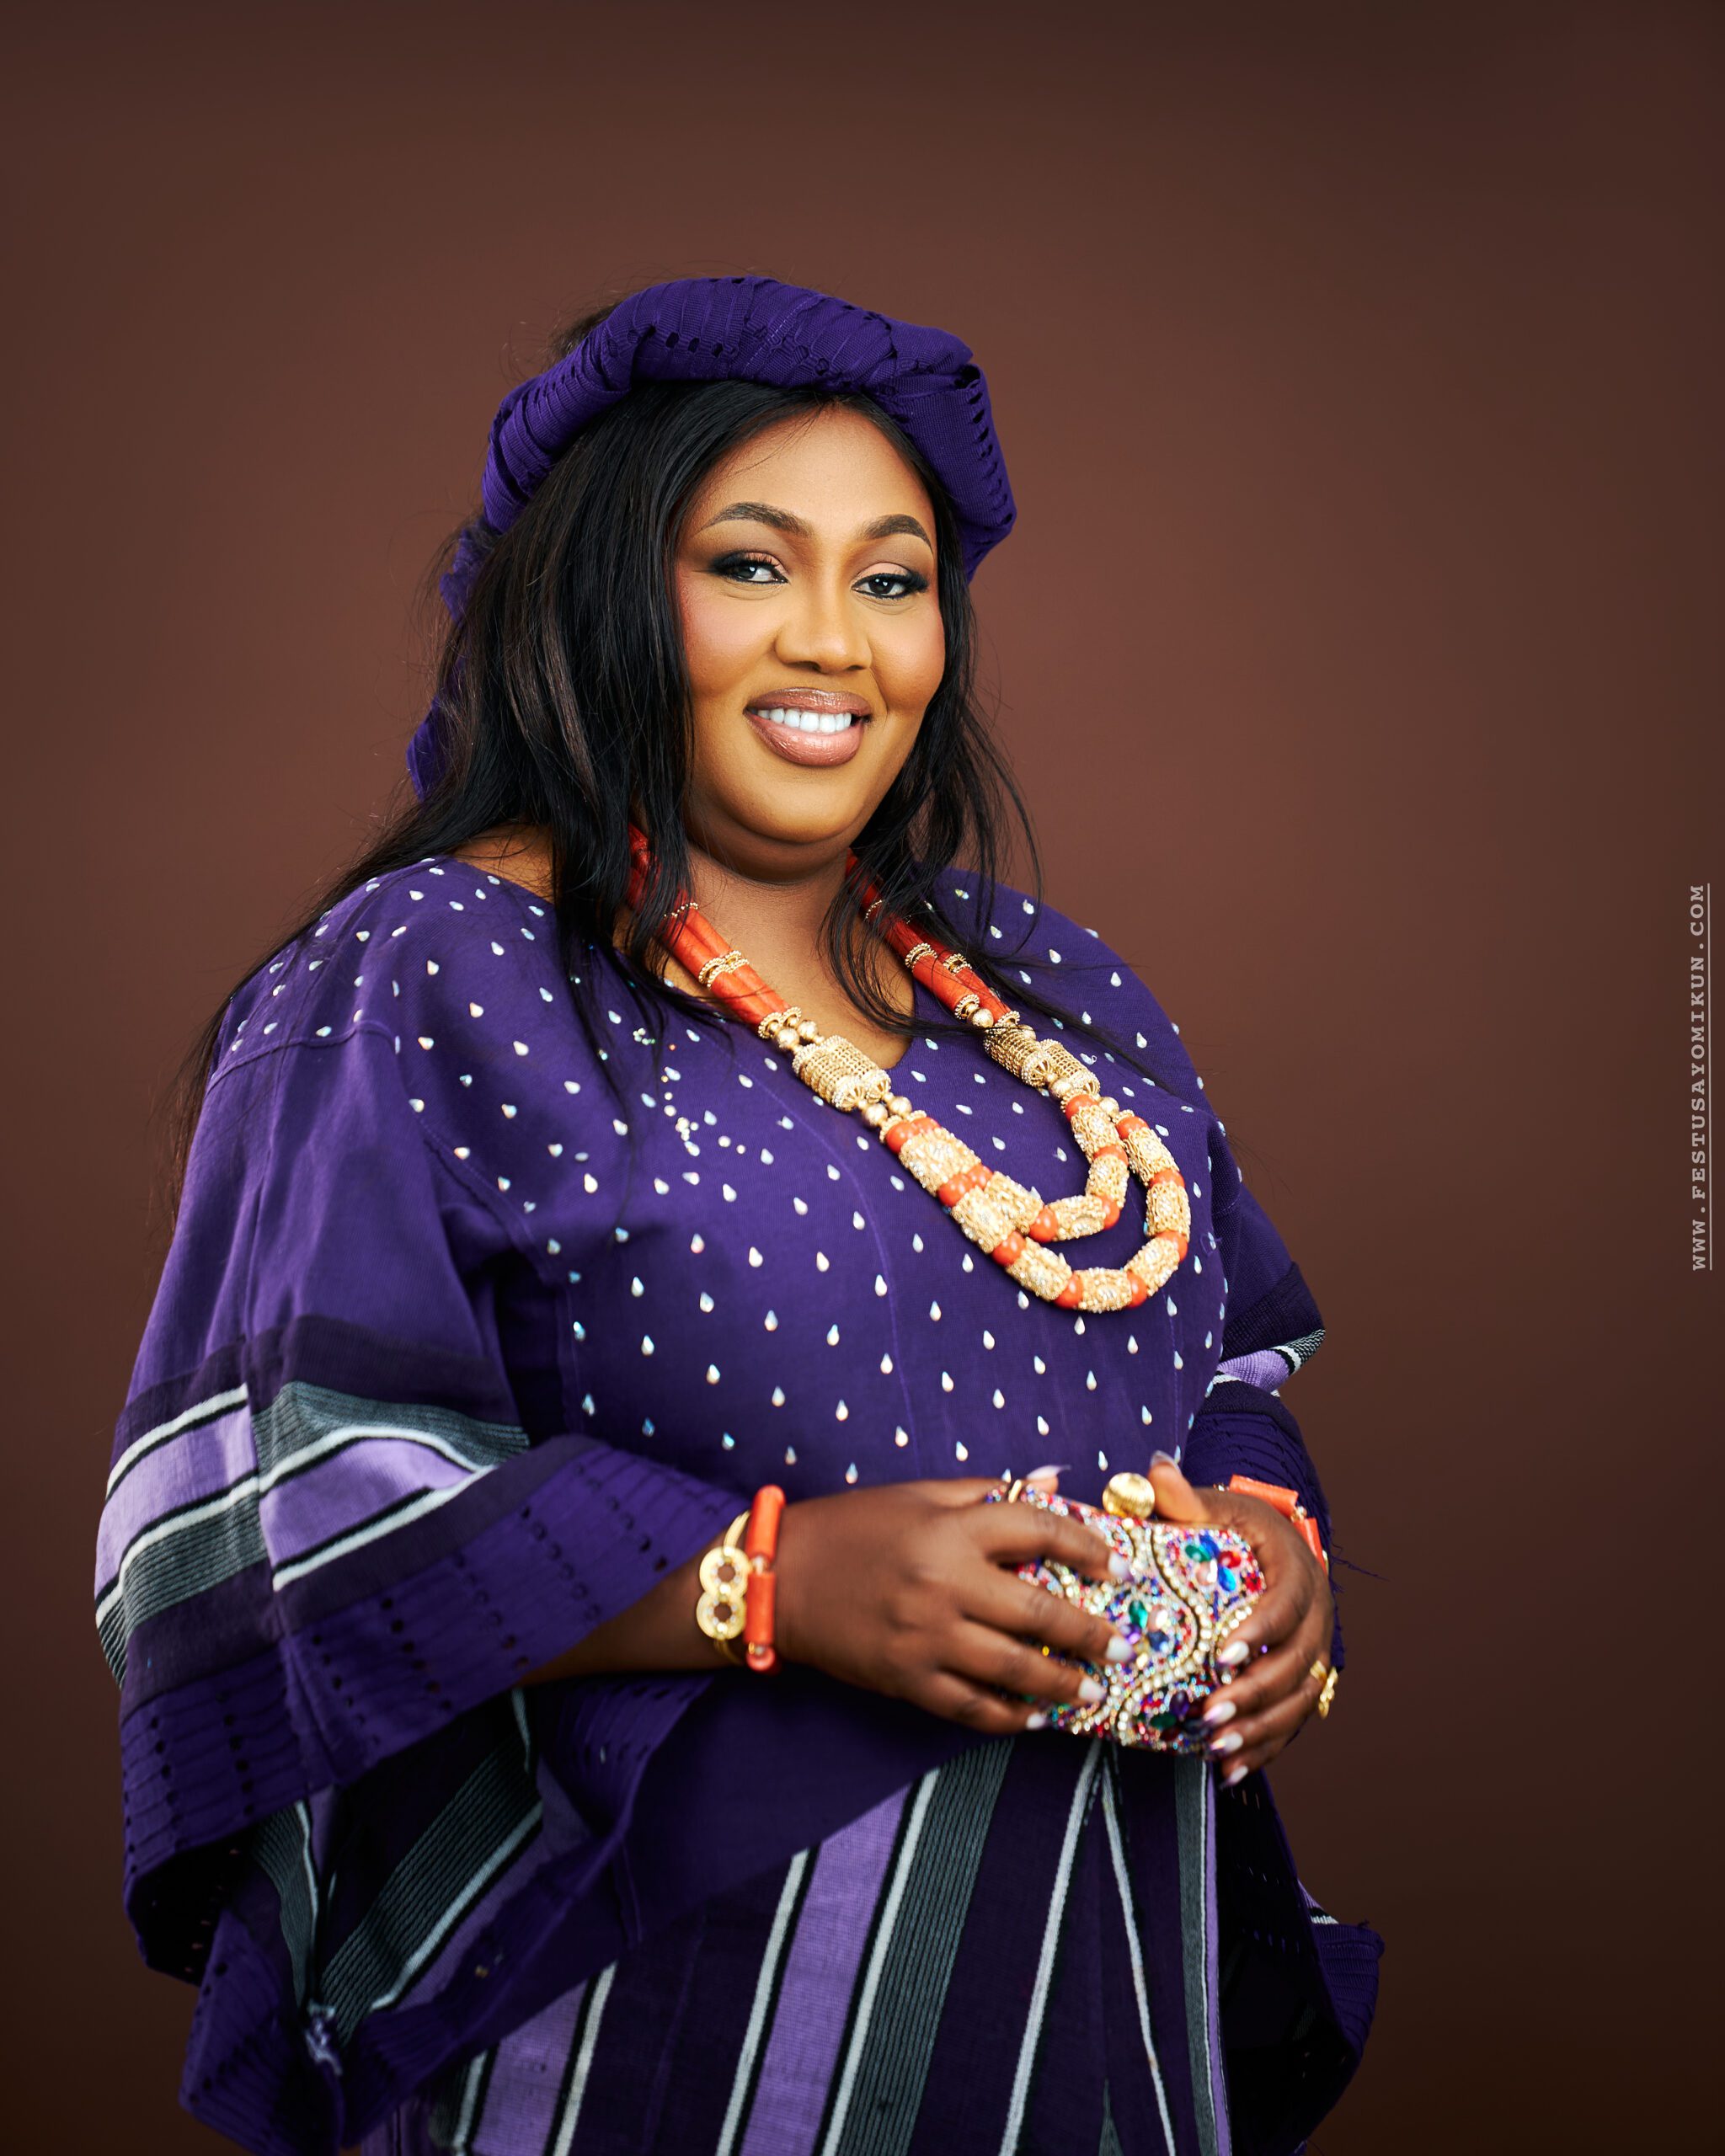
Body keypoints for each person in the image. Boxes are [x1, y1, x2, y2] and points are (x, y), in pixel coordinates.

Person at [96, 276, 1379, 2156]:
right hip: (664, 2021)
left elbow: (1227, 1362)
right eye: (751, 564)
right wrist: (770, 1582)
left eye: (891, 578)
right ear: (603, 597)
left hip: (1095, 1981)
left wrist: (1272, 1540)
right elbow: (275, 1507)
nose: (835, 640)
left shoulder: (1042, 988)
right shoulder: (435, 972)